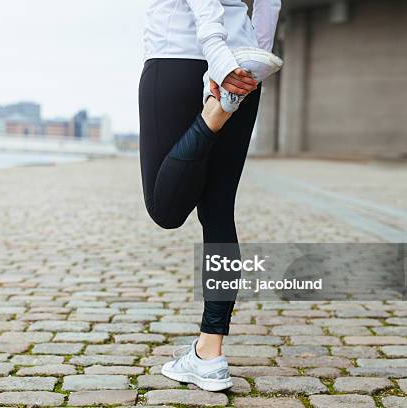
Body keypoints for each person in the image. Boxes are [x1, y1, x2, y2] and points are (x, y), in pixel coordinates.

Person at [139, 0, 282, 391]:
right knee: (218, 213)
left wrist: (219, 62)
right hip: (242, 68)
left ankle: (214, 113)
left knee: (164, 210)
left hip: (177, 62)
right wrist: (253, 64)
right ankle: (209, 354)